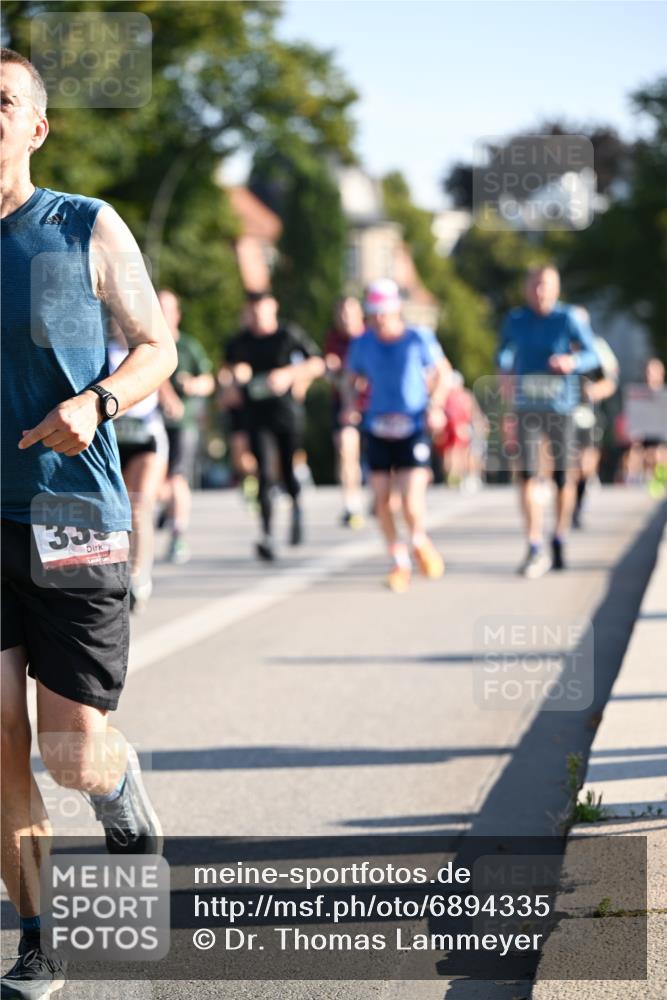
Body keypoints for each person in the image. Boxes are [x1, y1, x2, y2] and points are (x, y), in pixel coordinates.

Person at [1, 48, 176, 998]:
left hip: (73, 508)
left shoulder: (82, 225)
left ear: (37, 126)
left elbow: (160, 346)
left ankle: (115, 786)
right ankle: (39, 938)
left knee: (67, 746)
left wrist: (101, 401)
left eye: (4, 102)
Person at [344, 279, 450, 593]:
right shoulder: (362, 343)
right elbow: (351, 379)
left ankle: (419, 540)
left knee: (410, 501)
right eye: (374, 314)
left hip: (413, 426)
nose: (379, 320)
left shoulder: (419, 338)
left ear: (396, 310)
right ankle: (399, 560)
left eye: (384, 314)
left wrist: (436, 405)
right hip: (378, 426)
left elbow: (442, 373)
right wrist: (350, 403)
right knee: (380, 500)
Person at [497, 265, 600, 578]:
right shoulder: (515, 320)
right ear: (527, 288)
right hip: (527, 404)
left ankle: (559, 535)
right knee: (526, 475)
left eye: (546, 286)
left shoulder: (568, 318)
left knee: (561, 478)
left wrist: (573, 361)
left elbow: (594, 354)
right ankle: (533, 543)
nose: (540, 292)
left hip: (561, 406)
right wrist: (504, 371)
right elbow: (503, 352)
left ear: (556, 289)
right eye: (535, 285)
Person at [224, 290, 324, 561]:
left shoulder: (288, 335)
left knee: (289, 471)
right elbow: (226, 373)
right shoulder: (240, 341)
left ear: (273, 308)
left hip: (287, 415)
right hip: (256, 417)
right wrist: (233, 378)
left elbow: (317, 363)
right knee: (265, 475)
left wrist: (289, 374)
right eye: (253, 310)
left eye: (262, 309)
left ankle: (296, 508)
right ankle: (267, 535)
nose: (257, 315)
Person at [108, 324, 169, 611]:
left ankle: (138, 576)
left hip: (146, 437)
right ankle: (118, 571)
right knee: (115, 511)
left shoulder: (152, 348)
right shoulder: (101, 351)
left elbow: (167, 387)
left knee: (139, 506)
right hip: (113, 439)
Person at [157, 289, 215, 563]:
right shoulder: (144, 346)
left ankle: (178, 535)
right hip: (151, 424)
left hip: (183, 424)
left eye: (168, 309)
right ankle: (162, 508)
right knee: (154, 484)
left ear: (178, 315)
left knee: (176, 478)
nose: (164, 314)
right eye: (158, 308)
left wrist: (193, 385)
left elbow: (209, 381)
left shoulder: (189, 347)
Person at [570, 308, 620, 528]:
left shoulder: (597, 346)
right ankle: (567, 504)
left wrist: (593, 391)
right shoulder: (561, 343)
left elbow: (610, 381)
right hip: (559, 412)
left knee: (585, 463)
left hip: (587, 412)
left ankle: (579, 502)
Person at [324, 296, 367, 527]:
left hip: (374, 405)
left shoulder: (370, 338)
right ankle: (352, 504)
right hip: (343, 405)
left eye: (349, 314)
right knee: (345, 449)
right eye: (341, 314)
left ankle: (385, 499)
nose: (345, 319)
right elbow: (331, 375)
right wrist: (331, 370)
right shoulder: (334, 339)